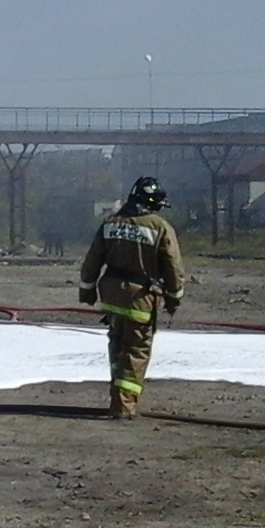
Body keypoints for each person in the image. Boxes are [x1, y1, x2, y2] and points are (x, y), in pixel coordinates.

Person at [78, 176, 187, 418]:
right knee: (136, 351)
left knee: (117, 344)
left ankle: (117, 398)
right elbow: (173, 268)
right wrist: (173, 298)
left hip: (111, 297)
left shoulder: (110, 223)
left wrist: (87, 290)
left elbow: (92, 261)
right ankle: (123, 407)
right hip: (139, 299)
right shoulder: (160, 227)